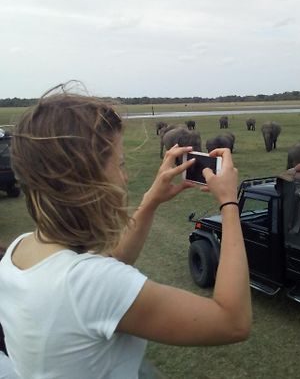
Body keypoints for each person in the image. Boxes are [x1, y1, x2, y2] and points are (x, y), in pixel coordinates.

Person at [0, 84, 251, 379]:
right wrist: (230, 204)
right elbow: (233, 321)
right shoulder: (90, 285)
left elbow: (111, 262)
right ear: (88, 180)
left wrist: (151, 200)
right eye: (119, 164)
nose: (126, 175)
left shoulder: (21, 250)